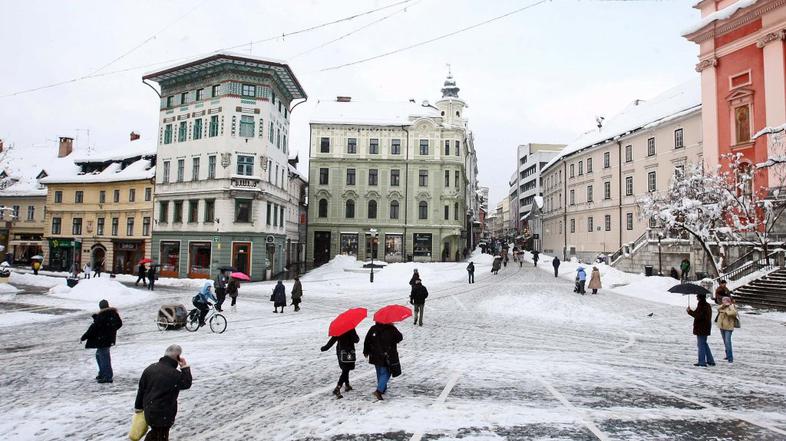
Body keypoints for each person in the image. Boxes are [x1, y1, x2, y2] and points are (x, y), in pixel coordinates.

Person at [134, 344, 192, 441]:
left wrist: (138, 407)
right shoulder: (174, 374)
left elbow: (141, 390)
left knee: (156, 434)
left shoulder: (150, 369)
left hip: (150, 410)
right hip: (164, 413)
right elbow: (186, 383)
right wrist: (184, 367)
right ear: (178, 357)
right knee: (161, 436)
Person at [80, 299, 122, 383]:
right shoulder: (113, 314)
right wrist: (111, 331)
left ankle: (107, 376)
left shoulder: (102, 316)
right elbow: (119, 323)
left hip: (102, 340)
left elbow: (93, 329)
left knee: (103, 357)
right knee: (99, 355)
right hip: (108, 339)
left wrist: (84, 337)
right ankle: (103, 373)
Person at [363, 321, 403, 401]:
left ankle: (382, 388)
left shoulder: (373, 328)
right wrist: (393, 327)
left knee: (379, 372)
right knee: (387, 372)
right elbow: (400, 338)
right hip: (387, 355)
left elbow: (367, 340)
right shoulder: (391, 329)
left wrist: (366, 351)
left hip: (374, 355)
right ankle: (379, 391)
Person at [321, 328, 360, 399]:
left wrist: (325, 348)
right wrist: (352, 334)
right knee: (346, 370)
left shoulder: (339, 329)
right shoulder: (351, 329)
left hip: (340, 351)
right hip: (348, 352)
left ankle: (347, 385)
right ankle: (338, 387)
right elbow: (356, 340)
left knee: (345, 369)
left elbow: (333, 340)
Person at [687, 293, 715, 367]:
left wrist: (689, 312)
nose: (696, 297)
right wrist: (690, 311)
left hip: (701, 327)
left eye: (697, 296)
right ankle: (710, 360)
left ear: (699, 297)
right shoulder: (706, 305)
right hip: (705, 327)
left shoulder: (702, 305)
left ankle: (702, 361)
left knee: (701, 345)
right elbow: (698, 314)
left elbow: (699, 316)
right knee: (704, 344)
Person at [716, 296, 738, 363]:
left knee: (728, 342)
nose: (724, 302)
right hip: (722, 327)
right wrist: (723, 305)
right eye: (723, 301)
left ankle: (730, 358)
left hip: (728, 327)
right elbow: (718, 308)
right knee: (725, 342)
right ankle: (727, 355)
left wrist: (727, 311)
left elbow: (734, 313)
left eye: (725, 301)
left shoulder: (731, 306)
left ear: (728, 301)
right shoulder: (722, 306)